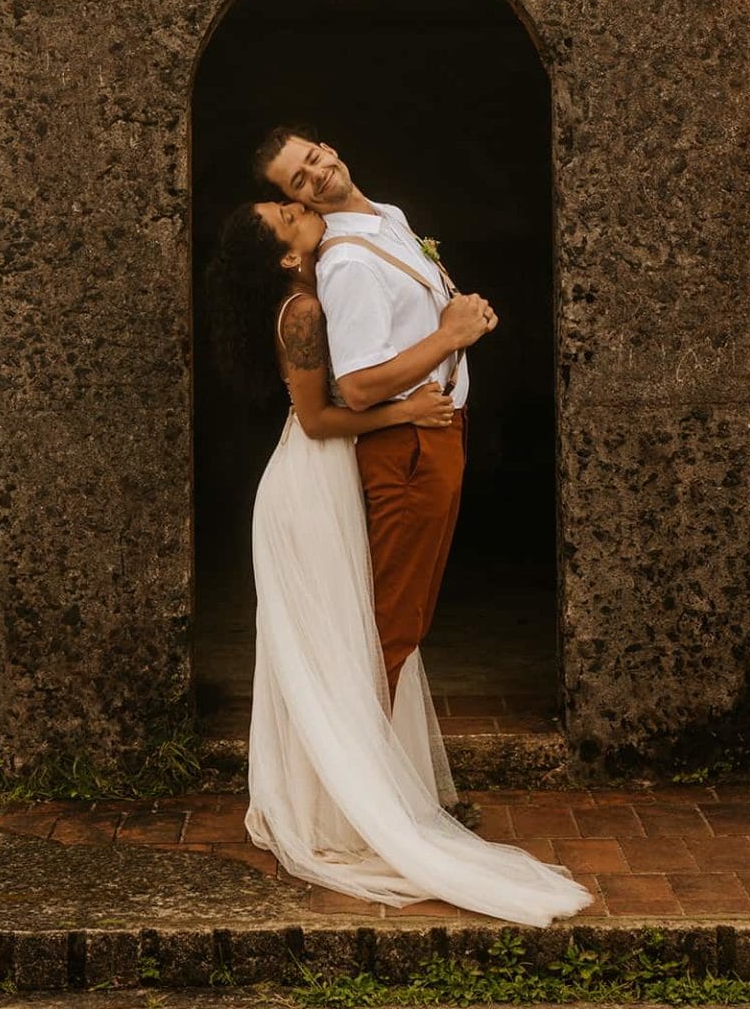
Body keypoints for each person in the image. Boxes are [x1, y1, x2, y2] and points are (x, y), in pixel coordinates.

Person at [206, 196, 591, 923]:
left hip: (325, 480)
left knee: (339, 641)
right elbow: (321, 418)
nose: (298, 205)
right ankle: (342, 812)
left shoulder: (323, 289)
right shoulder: (304, 313)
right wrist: (405, 413)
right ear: (288, 256)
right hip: (307, 488)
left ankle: (338, 798)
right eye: (285, 214)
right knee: (343, 642)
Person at [255, 128, 493, 699]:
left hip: (436, 429)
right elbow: (358, 386)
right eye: (298, 182)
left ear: (329, 148)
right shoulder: (345, 266)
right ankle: (358, 784)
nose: (314, 176)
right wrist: (449, 336)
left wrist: (466, 318)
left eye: (312, 159)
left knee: (407, 618)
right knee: (392, 624)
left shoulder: (387, 215)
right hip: (409, 445)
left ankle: (376, 770)